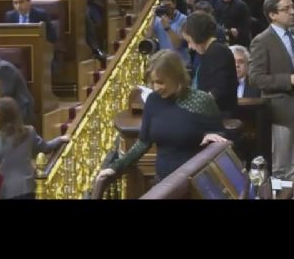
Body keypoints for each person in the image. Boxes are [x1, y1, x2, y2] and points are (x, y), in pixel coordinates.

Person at [97, 50, 227, 183]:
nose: (156, 87)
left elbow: (221, 134)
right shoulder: (153, 100)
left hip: (195, 182)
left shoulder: (201, 100)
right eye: (152, 82)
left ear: (176, 77)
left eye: (160, 82)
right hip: (163, 182)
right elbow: (143, 142)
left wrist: (211, 136)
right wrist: (115, 167)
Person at [249, 0, 294, 193]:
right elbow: (255, 77)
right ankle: (278, 196)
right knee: (281, 165)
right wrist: (287, 80)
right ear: (272, 15)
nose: (292, 12)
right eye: (286, 9)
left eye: (293, 7)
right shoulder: (262, 40)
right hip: (281, 111)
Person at [0, 97, 69, 199]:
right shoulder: (29, 132)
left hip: (4, 192)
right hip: (27, 188)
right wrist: (60, 139)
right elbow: (45, 148)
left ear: (0, 116)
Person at [182, 11, 238, 117]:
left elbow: (219, 89)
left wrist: (195, 105)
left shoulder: (218, 51)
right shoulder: (210, 52)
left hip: (219, 115)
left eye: (189, 41)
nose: (190, 46)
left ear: (196, 35)